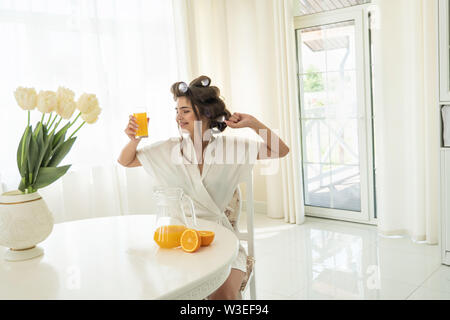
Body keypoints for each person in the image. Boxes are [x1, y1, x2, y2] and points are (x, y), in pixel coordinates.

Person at [117, 75, 289, 300]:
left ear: (206, 113)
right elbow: (126, 161)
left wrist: (253, 123)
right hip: (180, 243)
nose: (178, 116)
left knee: (224, 296)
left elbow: (280, 151)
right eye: (176, 111)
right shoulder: (168, 150)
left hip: (221, 242)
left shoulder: (231, 148)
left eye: (185, 110)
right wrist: (134, 139)